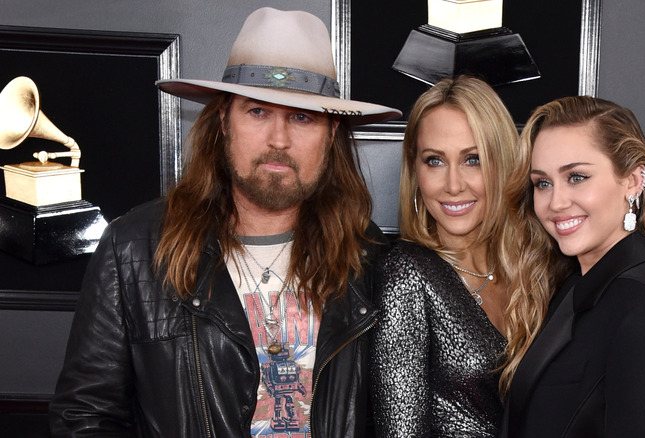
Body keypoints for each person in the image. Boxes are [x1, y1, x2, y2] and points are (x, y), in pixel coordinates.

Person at [48, 8, 400, 438]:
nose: (278, 139)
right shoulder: (135, 250)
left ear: (331, 135)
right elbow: (84, 418)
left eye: (302, 116)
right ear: (222, 121)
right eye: (257, 111)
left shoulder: (371, 258)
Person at [498, 96, 645, 437]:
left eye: (577, 177)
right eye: (543, 183)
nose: (556, 203)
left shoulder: (642, 310)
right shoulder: (574, 286)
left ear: (633, 180)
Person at [370, 75, 520, 437]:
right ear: (416, 171)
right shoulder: (406, 274)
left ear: (503, 164)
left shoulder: (530, 271)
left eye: (473, 159)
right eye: (435, 161)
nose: (453, 184)